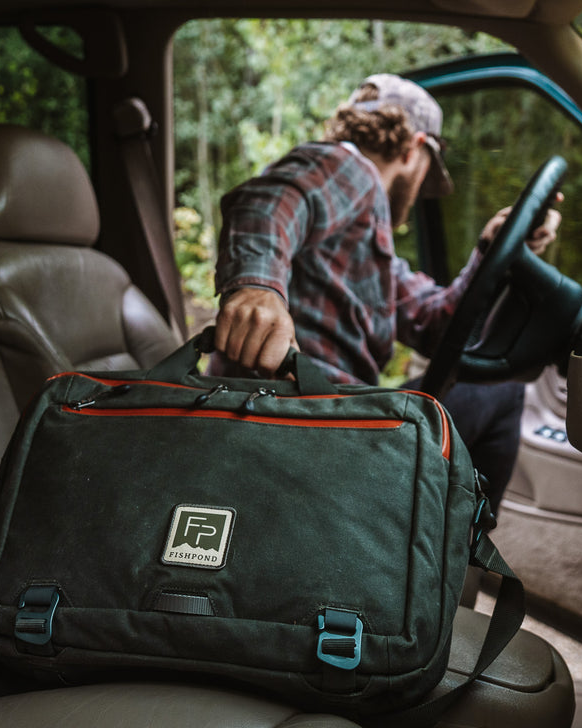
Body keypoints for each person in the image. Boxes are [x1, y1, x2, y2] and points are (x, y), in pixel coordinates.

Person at [212, 73, 560, 508]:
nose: (419, 197)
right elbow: (267, 202)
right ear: (414, 148)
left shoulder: (366, 238)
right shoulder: (349, 167)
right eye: (428, 174)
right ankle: (451, 560)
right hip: (305, 421)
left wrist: (490, 251)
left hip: (333, 416)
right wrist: (255, 287)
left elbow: (436, 325)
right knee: (502, 390)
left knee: (489, 385)